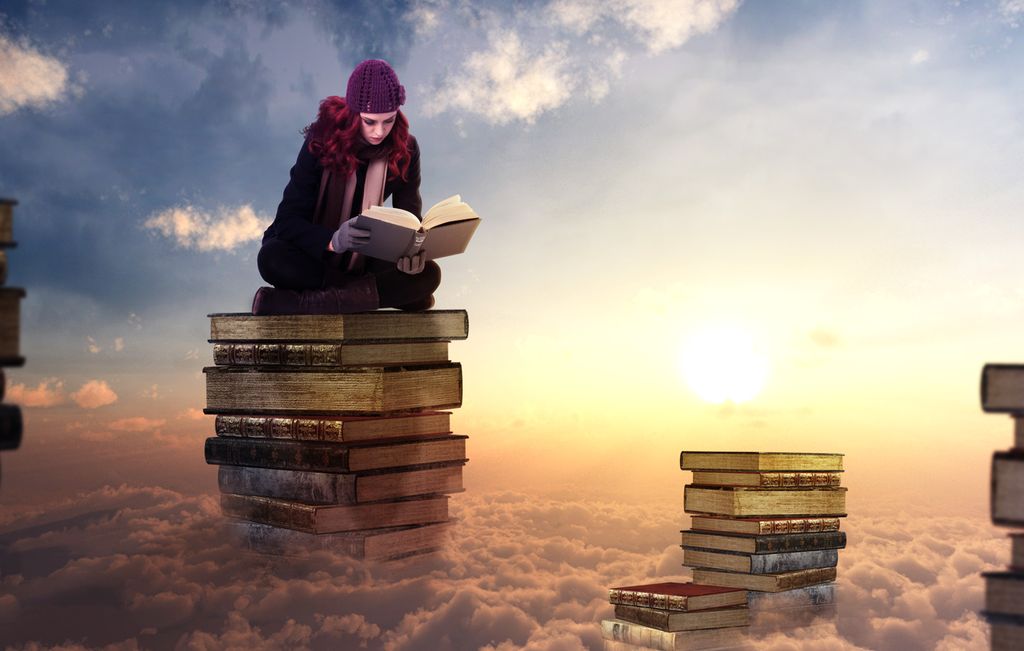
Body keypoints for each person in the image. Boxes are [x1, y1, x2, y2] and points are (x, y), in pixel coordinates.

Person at [252, 59, 441, 315]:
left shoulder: (406, 148)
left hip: (366, 254)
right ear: (354, 115)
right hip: (313, 252)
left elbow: (410, 220)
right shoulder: (320, 141)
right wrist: (333, 240)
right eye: (369, 121)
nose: (379, 132)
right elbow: (287, 221)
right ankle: (373, 295)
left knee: (429, 274)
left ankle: (301, 303)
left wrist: (411, 254)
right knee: (271, 258)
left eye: (388, 121)